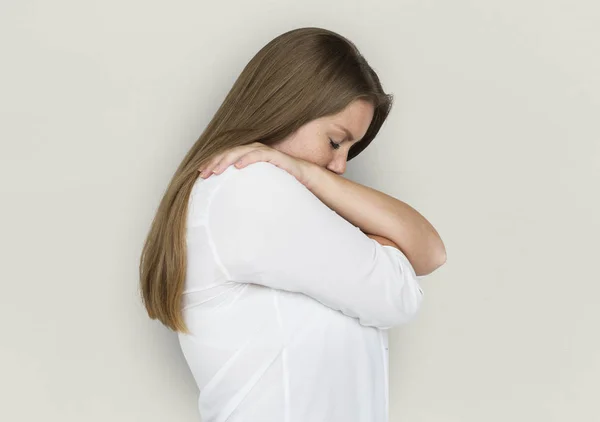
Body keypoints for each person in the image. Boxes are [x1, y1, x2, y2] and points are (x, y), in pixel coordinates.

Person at [139, 27, 446, 422]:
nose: (340, 166)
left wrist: (309, 173)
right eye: (335, 142)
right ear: (286, 107)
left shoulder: (262, 192)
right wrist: (375, 241)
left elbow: (431, 252)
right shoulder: (249, 188)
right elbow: (399, 295)